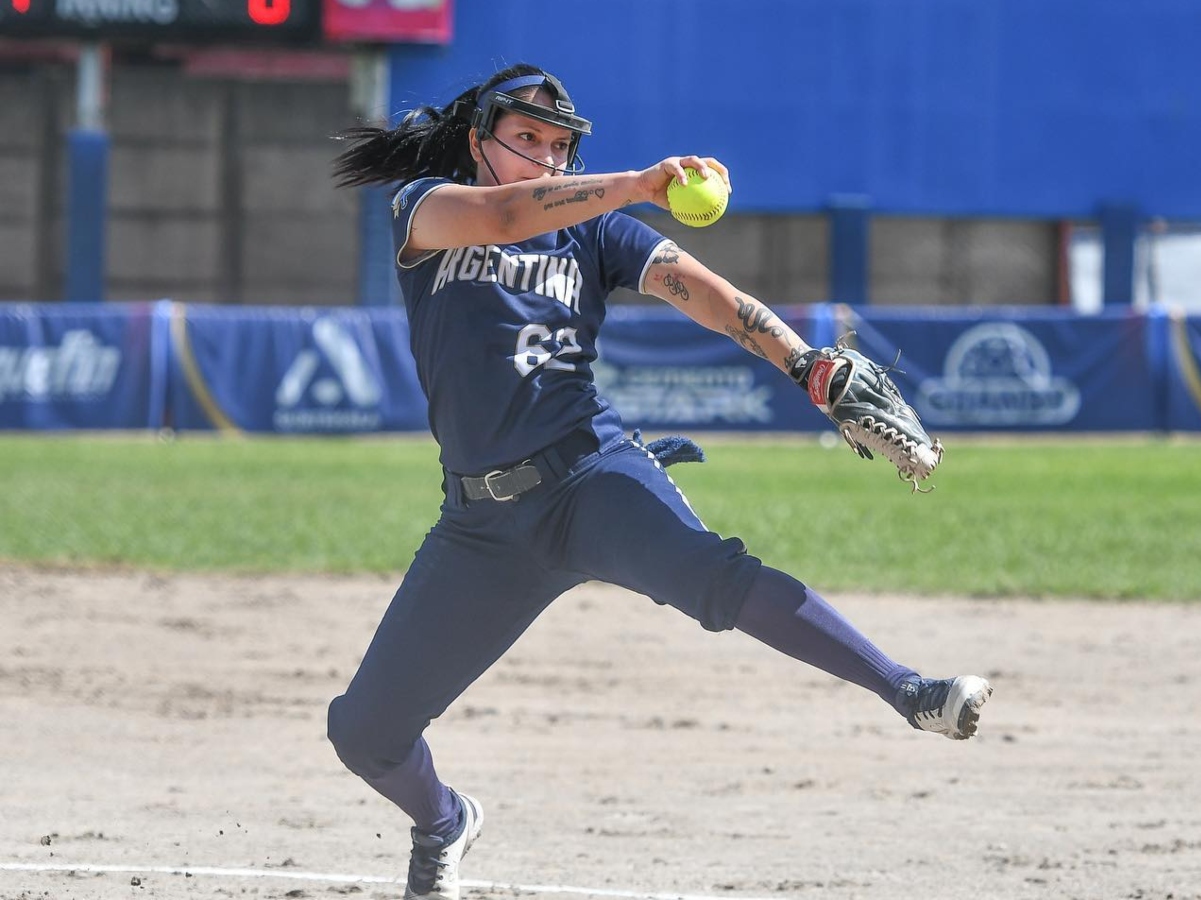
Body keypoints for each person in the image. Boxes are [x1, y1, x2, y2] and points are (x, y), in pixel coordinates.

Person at [327, 62, 992, 900]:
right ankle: (444, 821)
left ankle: (909, 690)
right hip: (480, 527)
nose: (542, 157)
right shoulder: (425, 209)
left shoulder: (596, 232)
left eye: (557, 145)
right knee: (364, 733)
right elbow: (499, 216)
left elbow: (707, 294)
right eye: (525, 138)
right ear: (477, 140)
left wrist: (803, 364)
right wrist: (636, 183)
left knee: (714, 579)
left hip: (587, 480)